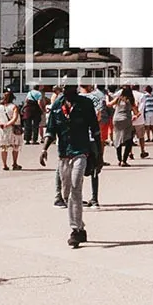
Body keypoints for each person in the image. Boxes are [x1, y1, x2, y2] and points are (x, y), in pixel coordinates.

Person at [42, 83, 100, 247]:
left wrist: (99, 155)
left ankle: (74, 230)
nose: (70, 92)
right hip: (64, 154)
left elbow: (95, 129)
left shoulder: (85, 104)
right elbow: (51, 130)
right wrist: (44, 149)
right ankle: (80, 227)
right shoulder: (57, 106)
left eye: (73, 89)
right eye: (67, 89)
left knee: (76, 187)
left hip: (81, 151)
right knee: (66, 192)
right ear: (63, 90)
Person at [0, 91, 22, 171]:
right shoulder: (14, 107)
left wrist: (0, 124)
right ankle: (15, 163)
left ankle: (4, 165)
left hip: (2, 130)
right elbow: (14, 118)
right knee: (15, 146)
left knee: (4, 147)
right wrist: (8, 124)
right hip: (13, 129)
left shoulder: (0, 107)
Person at [108, 85, 137, 166]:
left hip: (116, 119)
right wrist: (136, 116)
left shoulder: (118, 98)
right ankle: (124, 160)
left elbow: (109, 104)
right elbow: (136, 112)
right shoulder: (131, 100)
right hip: (126, 120)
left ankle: (119, 160)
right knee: (128, 139)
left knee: (118, 139)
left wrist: (107, 98)